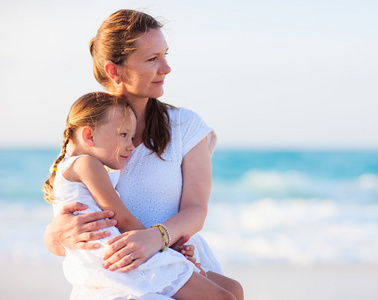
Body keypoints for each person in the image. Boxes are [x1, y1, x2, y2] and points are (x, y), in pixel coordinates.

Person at [44, 9, 243, 300]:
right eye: (152, 59)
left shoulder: (185, 126)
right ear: (115, 70)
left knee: (234, 292)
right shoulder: (92, 132)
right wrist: (53, 236)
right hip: (118, 275)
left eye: (165, 55)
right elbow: (73, 216)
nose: (166, 68)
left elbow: (196, 209)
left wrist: (158, 238)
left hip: (173, 255)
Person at [43, 91, 237, 300]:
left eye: (132, 136)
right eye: (124, 135)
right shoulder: (88, 164)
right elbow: (121, 218)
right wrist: (166, 247)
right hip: (121, 257)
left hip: (112, 255)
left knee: (233, 290)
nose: (132, 145)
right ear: (89, 136)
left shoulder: (70, 165)